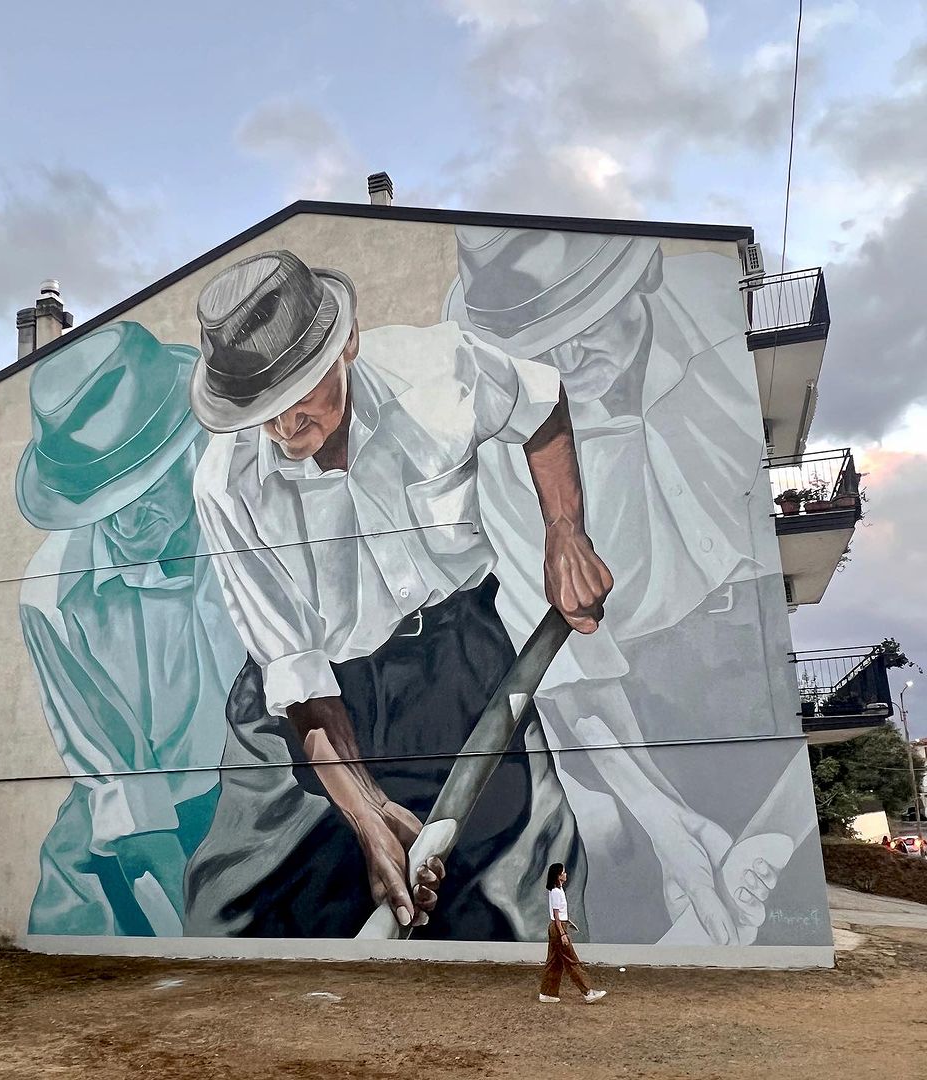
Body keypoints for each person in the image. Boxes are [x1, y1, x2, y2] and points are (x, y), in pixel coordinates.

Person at [183, 249, 612, 940]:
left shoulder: (440, 371)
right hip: (315, 697)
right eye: (260, 411)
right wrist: (367, 809)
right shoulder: (224, 486)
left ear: (347, 344)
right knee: (236, 913)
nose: (282, 428)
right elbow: (296, 673)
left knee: (524, 883)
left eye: (297, 395)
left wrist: (565, 532)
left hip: (460, 660)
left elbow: (542, 405)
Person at [445, 226, 789, 946]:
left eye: (586, 326)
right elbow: (572, 675)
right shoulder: (503, 442)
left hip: (757, 650)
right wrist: (664, 822)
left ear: (647, 273)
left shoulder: (722, 323)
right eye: (541, 350)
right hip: (633, 689)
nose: (567, 363)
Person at [17, 321, 246, 937]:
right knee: (68, 933)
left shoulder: (254, 516)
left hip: (265, 789)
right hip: (134, 804)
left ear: (188, 447)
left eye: (141, 487)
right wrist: (192, 931)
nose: (122, 520)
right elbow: (119, 778)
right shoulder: (50, 594)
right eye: (101, 500)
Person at [539, 862, 606, 1004]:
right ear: (558, 876)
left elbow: (560, 914)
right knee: (572, 960)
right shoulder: (556, 892)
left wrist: (567, 923)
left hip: (558, 926)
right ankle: (587, 992)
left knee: (554, 962)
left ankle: (547, 993)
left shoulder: (558, 890)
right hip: (558, 928)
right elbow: (556, 916)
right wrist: (563, 933)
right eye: (563, 872)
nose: (566, 874)